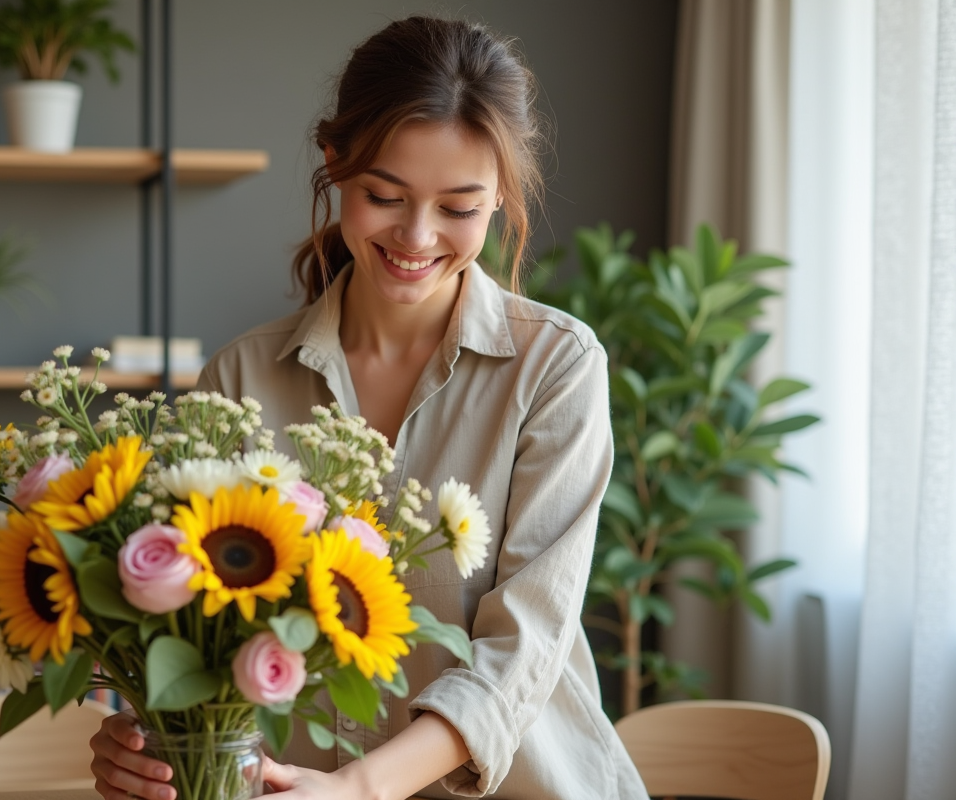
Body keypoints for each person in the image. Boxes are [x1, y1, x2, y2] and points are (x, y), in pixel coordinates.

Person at [90, 15, 648, 800]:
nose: (417, 236)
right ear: (335, 164)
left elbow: (524, 643)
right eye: (384, 195)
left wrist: (356, 789)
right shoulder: (240, 378)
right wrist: (145, 738)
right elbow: (187, 633)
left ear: (500, 201)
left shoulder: (555, 367)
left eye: (459, 208)